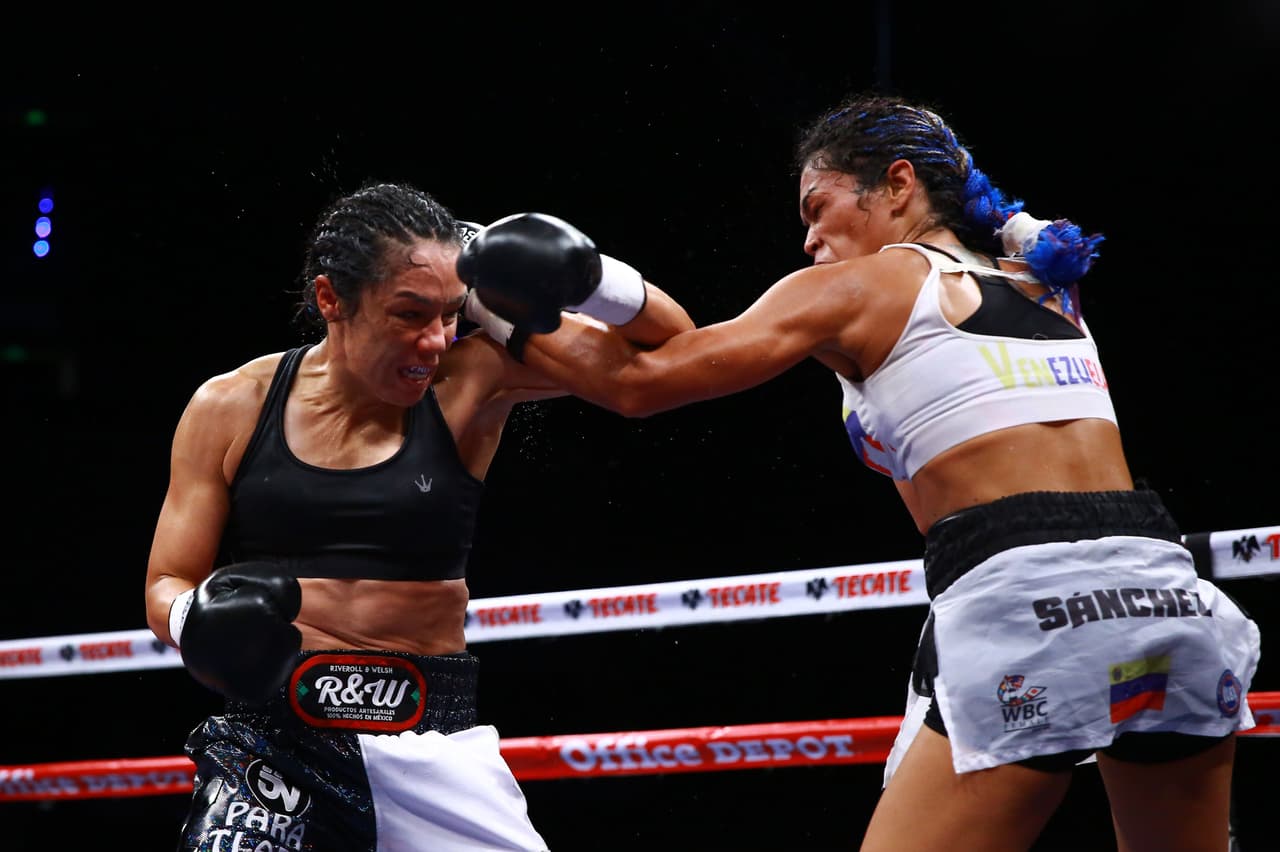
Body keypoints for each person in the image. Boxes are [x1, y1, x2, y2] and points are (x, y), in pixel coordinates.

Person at [456, 94, 1263, 851]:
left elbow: (643, 383)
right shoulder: (1048, 288)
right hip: (1168, 592)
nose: (808, 238)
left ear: (898, 185)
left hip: (1034, 599)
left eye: (819, 207)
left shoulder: (867, 285)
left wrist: (485, 302)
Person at [142, 181, 694, 851]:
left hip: (438, 746)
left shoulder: (472, 379)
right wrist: (195, 619)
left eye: (449, 314)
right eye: (409, 315)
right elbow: (166, 581)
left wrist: (589, 276)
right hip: (274, 745)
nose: (435, 340)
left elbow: (667, 350)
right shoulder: (229, 406)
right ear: (330, 300)